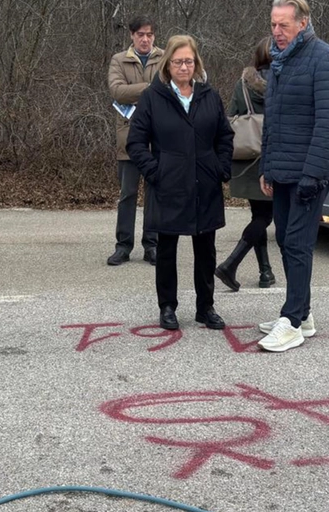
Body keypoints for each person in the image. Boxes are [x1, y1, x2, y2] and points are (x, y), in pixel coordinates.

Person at [256, 0, 329, 353]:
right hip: (282, 170)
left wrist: (312, 175)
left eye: (283, 25)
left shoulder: (326, 60)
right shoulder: (281, 62)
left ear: (303, 22)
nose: (276, 33)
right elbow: (274, 121)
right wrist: (267, 165)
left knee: (297, 242)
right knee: (285, 239)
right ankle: (303, 314)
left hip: (310, 172)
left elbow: (328, 125)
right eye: (273, 25)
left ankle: (292, 321)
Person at [127, 35, 234, 331]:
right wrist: (156, 172)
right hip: (168, 186)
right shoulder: (153, 97)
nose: (183, 67)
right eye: (177, 62)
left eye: (188, 61)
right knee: (166, 250)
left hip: (205, 185)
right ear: (168, 64)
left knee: (206, 250)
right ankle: (168, 307)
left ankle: (206, 307)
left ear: (196, 63)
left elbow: (225, 136)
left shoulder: (209, 95)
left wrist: (220, 168)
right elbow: (136, 142)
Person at [215, 38, 276, 292]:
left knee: (258, 215)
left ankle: (265, 272)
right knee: (264, 217)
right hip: (271, 158)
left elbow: (230, 119)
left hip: (246, 160)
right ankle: (230, 264)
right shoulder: (282, 81)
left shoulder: (242, 83)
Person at [107, 17, 163, 266]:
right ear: (132, 35)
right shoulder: (119, 60)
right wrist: (152, 88)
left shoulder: (164, 58)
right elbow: (118, 91)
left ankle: (151, 245)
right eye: (141, 34)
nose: (145, 39)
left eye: (149, 34)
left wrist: (139, 91)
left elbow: (172, 87)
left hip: (158, 138)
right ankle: (123, 246)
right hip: (129, 139)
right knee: (127, 195)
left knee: (155, 194)